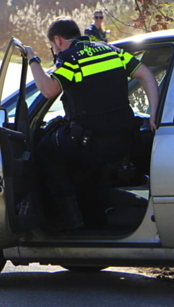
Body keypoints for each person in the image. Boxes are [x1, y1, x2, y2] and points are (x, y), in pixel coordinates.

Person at [22, 17, 158, 231]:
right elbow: (145, 74)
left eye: (52, 47)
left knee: (45, 149)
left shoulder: (71, 57)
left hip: (90, 140)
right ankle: (94, 213)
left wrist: (32, 59)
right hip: (122, 137)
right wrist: (154, 113)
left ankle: (68, 218)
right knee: (85, 164)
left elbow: (48, 90)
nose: (54, 51)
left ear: (57, 40)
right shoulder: (111, 50)